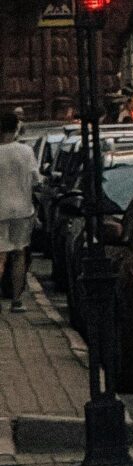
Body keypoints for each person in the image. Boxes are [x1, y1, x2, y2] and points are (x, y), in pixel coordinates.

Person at [0, 106, 35, 312]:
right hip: (22, 209)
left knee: (0, 255)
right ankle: (16, 300)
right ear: (16, 128)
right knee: (19, 253)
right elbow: (36, 177)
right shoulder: (26, 151)